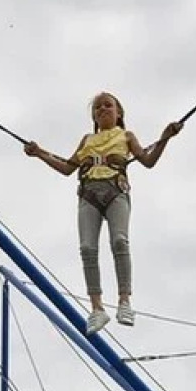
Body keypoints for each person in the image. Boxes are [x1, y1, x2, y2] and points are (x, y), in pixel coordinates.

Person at [23, 92, 182, 333]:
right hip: (89, 194)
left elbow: (148, 161)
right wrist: (40, 153)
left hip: (116, 191)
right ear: (94, 117)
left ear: (119, 113)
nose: (103, 109)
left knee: (119, 241)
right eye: (97, 108)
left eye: (108, 105)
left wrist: (164, 138)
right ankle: (97, 308)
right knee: (87, 248)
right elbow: (67, 167)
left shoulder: (126, 136)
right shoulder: (87, 140)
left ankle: (124, 301)